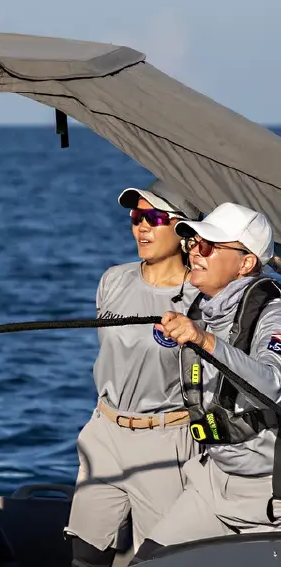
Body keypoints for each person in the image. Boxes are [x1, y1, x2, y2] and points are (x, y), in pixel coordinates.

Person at [128, 202, 281, 563]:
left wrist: (205, 341)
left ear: (246, 263)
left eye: (209, 246)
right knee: (146, 562)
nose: (195, 250)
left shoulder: (274, 312)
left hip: (267, 498)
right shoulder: (203, 307)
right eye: (194, 241)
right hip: (212, 486)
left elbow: (274, 386)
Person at [65, 182, 203, 565]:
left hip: (165, 437)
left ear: (184, 229)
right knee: (85, 553)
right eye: (136, 217)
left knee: (161, 558)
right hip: (104, 431)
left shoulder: (200, 295)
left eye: (155, 218)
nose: (142, 227)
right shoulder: (113, 279)